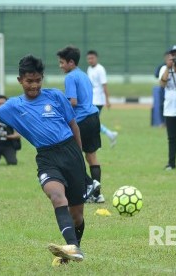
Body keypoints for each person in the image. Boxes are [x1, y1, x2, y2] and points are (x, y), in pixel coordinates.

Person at [0, 54, 89, 265]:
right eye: (29, 81)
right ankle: (73, 247)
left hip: (71, 153)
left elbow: (73, 125)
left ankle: (74, 249)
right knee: (57, 196)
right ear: (20, 80)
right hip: (47, 157)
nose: (34, 85)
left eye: (38, 80)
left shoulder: (56, 97)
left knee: (77, 215)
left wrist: (80, 158)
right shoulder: (13, 106)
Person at [57, 46, 103, 203]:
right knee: (91, 156)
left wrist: (60, 110)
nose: (60, 66)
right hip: (94, 117)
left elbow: (73, 102)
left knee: (72, 158)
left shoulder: (70, 77)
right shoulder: (84, 75)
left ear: (71, 62)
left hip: (81, 120)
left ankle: (89, 186)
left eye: (62, 62)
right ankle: (97, 194)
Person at [86, 50, 118, 147]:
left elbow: (104, 86)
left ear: (96, 58)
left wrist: (107, 100)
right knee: (92, 122)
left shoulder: (100, 69)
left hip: (98, 100)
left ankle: (95, 143)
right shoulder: (89, 69)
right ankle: (110, 134)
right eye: (88, 59)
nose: (90, 60)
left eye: (92, 58)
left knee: (92, 121)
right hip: (91, 99)